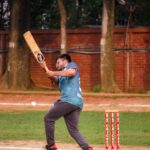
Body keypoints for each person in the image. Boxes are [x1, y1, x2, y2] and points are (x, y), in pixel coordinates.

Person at [40, 53, 93, 150]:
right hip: (77, 103)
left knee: (48, 118)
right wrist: (45, 68)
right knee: (73, 129)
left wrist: (54, 72)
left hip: (69, 100)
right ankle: (87, 147)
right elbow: (54, 78)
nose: (56, 65)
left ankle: (51, 145)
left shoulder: (71, 65)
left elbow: (71, 73)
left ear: (65, 60)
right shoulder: (61, 75)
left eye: (58, 62)